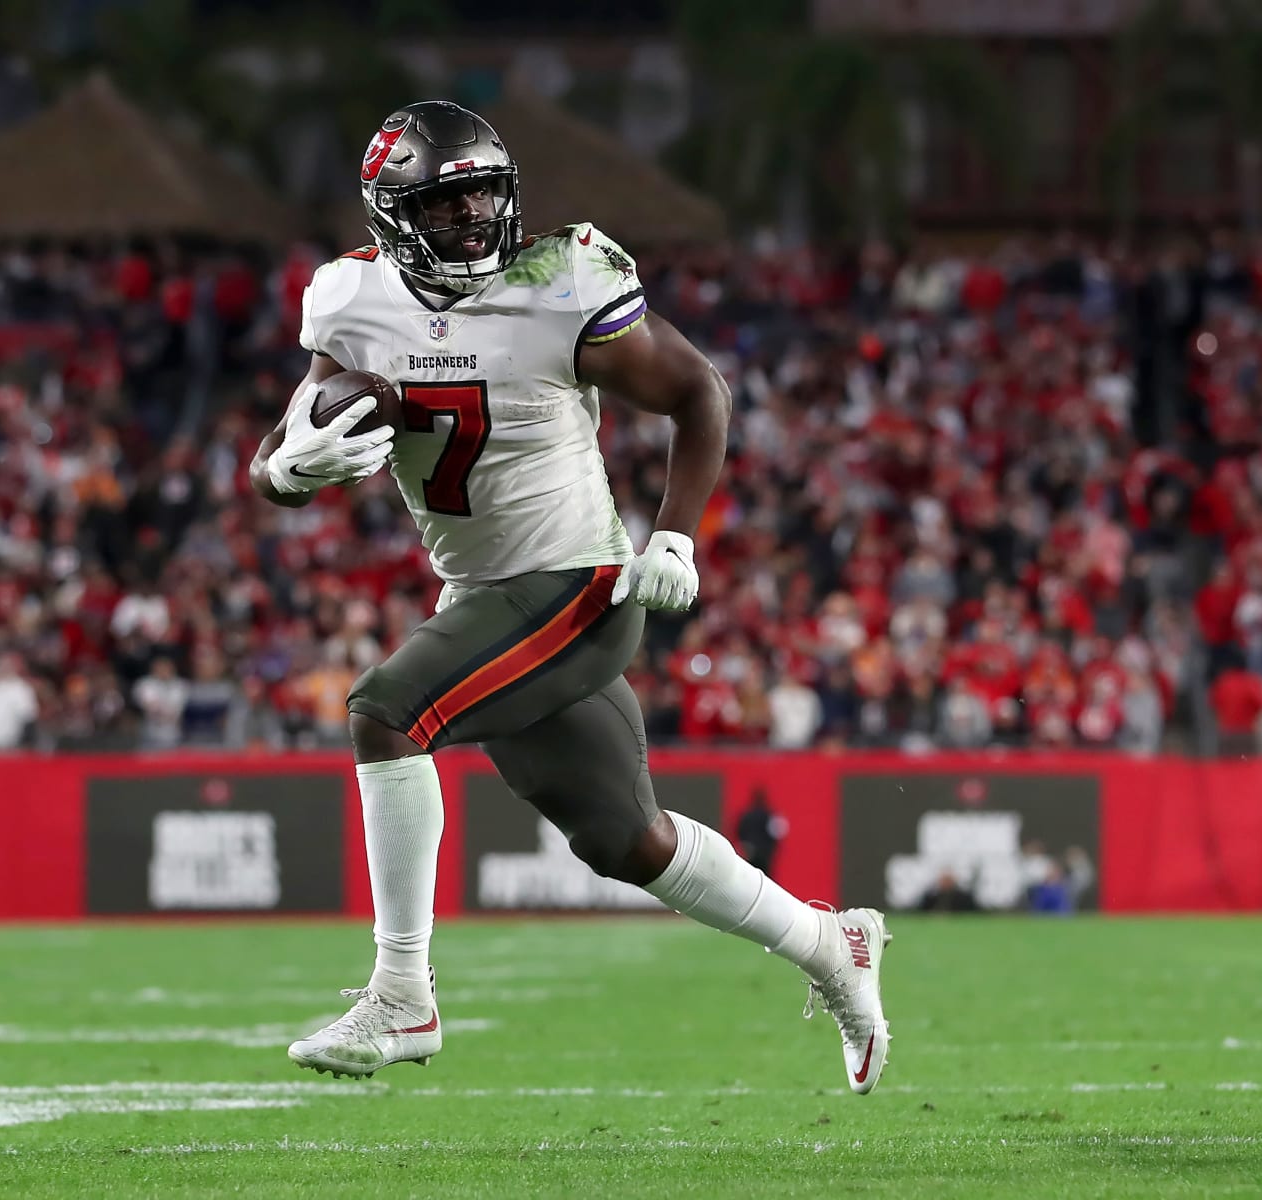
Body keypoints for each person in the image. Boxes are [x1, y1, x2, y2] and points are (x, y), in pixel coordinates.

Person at [251, 101, 891, 1093]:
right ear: (392, 213)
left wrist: (674, 533)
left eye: (483, 196)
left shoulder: (562, 281)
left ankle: (401, 995)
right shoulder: (349, 301)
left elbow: (697, 392)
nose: (473, 220)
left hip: (577, 588)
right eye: (447, 202)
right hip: (485, 593)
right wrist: (284, 474)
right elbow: (292, 431)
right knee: (624, 840)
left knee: (387, 711)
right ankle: (828, 943)